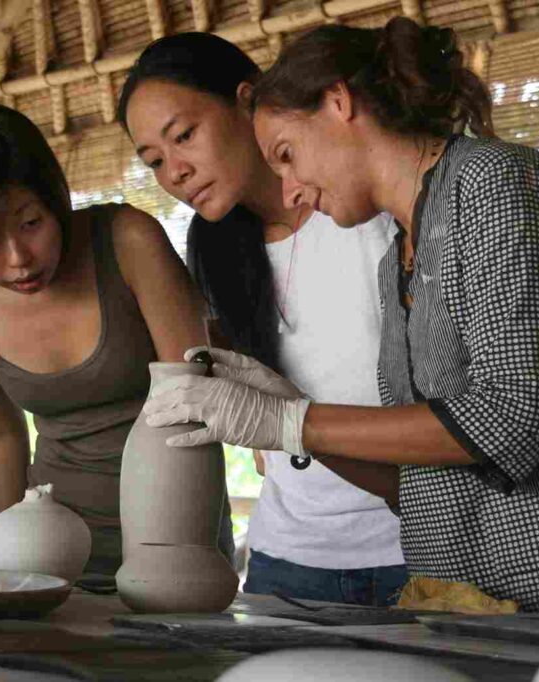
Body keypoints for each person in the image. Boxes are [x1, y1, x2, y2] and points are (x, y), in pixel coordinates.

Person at [144, 17, 539, 612]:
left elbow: (508, 425)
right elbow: (413, 484)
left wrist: (294, 420)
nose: (289, 191)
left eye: (288, 155)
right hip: (464, 589)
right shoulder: (400, 256)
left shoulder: (494, 183)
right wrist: (282, 413)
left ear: (340, 103)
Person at [119, 32, 407, 605]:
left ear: (247, 101)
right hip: (287, 559)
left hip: (410, 549)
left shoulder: (365, 210)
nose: (175, 171)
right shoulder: (215, 253)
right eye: (154, 160)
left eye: (184, 136)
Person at [0, 104, 232, 575]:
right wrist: (16, 557)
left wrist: (175, 551)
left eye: (31, 223)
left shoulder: (127, 242)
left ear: (54, 198)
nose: (18, 257)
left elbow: (193, 400)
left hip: (176, 532)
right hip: (53, 541)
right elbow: (1, 432)